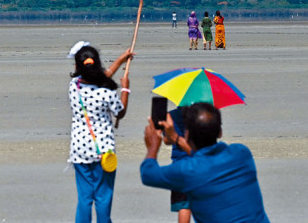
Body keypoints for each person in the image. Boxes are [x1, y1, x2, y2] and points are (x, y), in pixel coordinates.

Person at [141, 102, 269, 223]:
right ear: (220, 132)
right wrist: (177, 139)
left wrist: (153, 146)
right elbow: (207, 161)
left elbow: (148, 173)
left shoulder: (188, 171)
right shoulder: (241, 153)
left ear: (187, 134)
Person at [67, 41, 132, 223]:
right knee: (103, 198)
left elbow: (102, 76)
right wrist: (125, 88)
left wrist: (121, 60)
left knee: (85, 199)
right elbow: (120, 112)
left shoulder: (74, 87)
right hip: (104, 152)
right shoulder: (106, 92)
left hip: (79, 151)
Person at [161, 107, 192, 223]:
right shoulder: (203, 114)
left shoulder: (170, 115)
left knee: (184, 205)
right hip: (202, 162)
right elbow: (218, 134)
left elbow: (166, 140)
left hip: (180, 165)